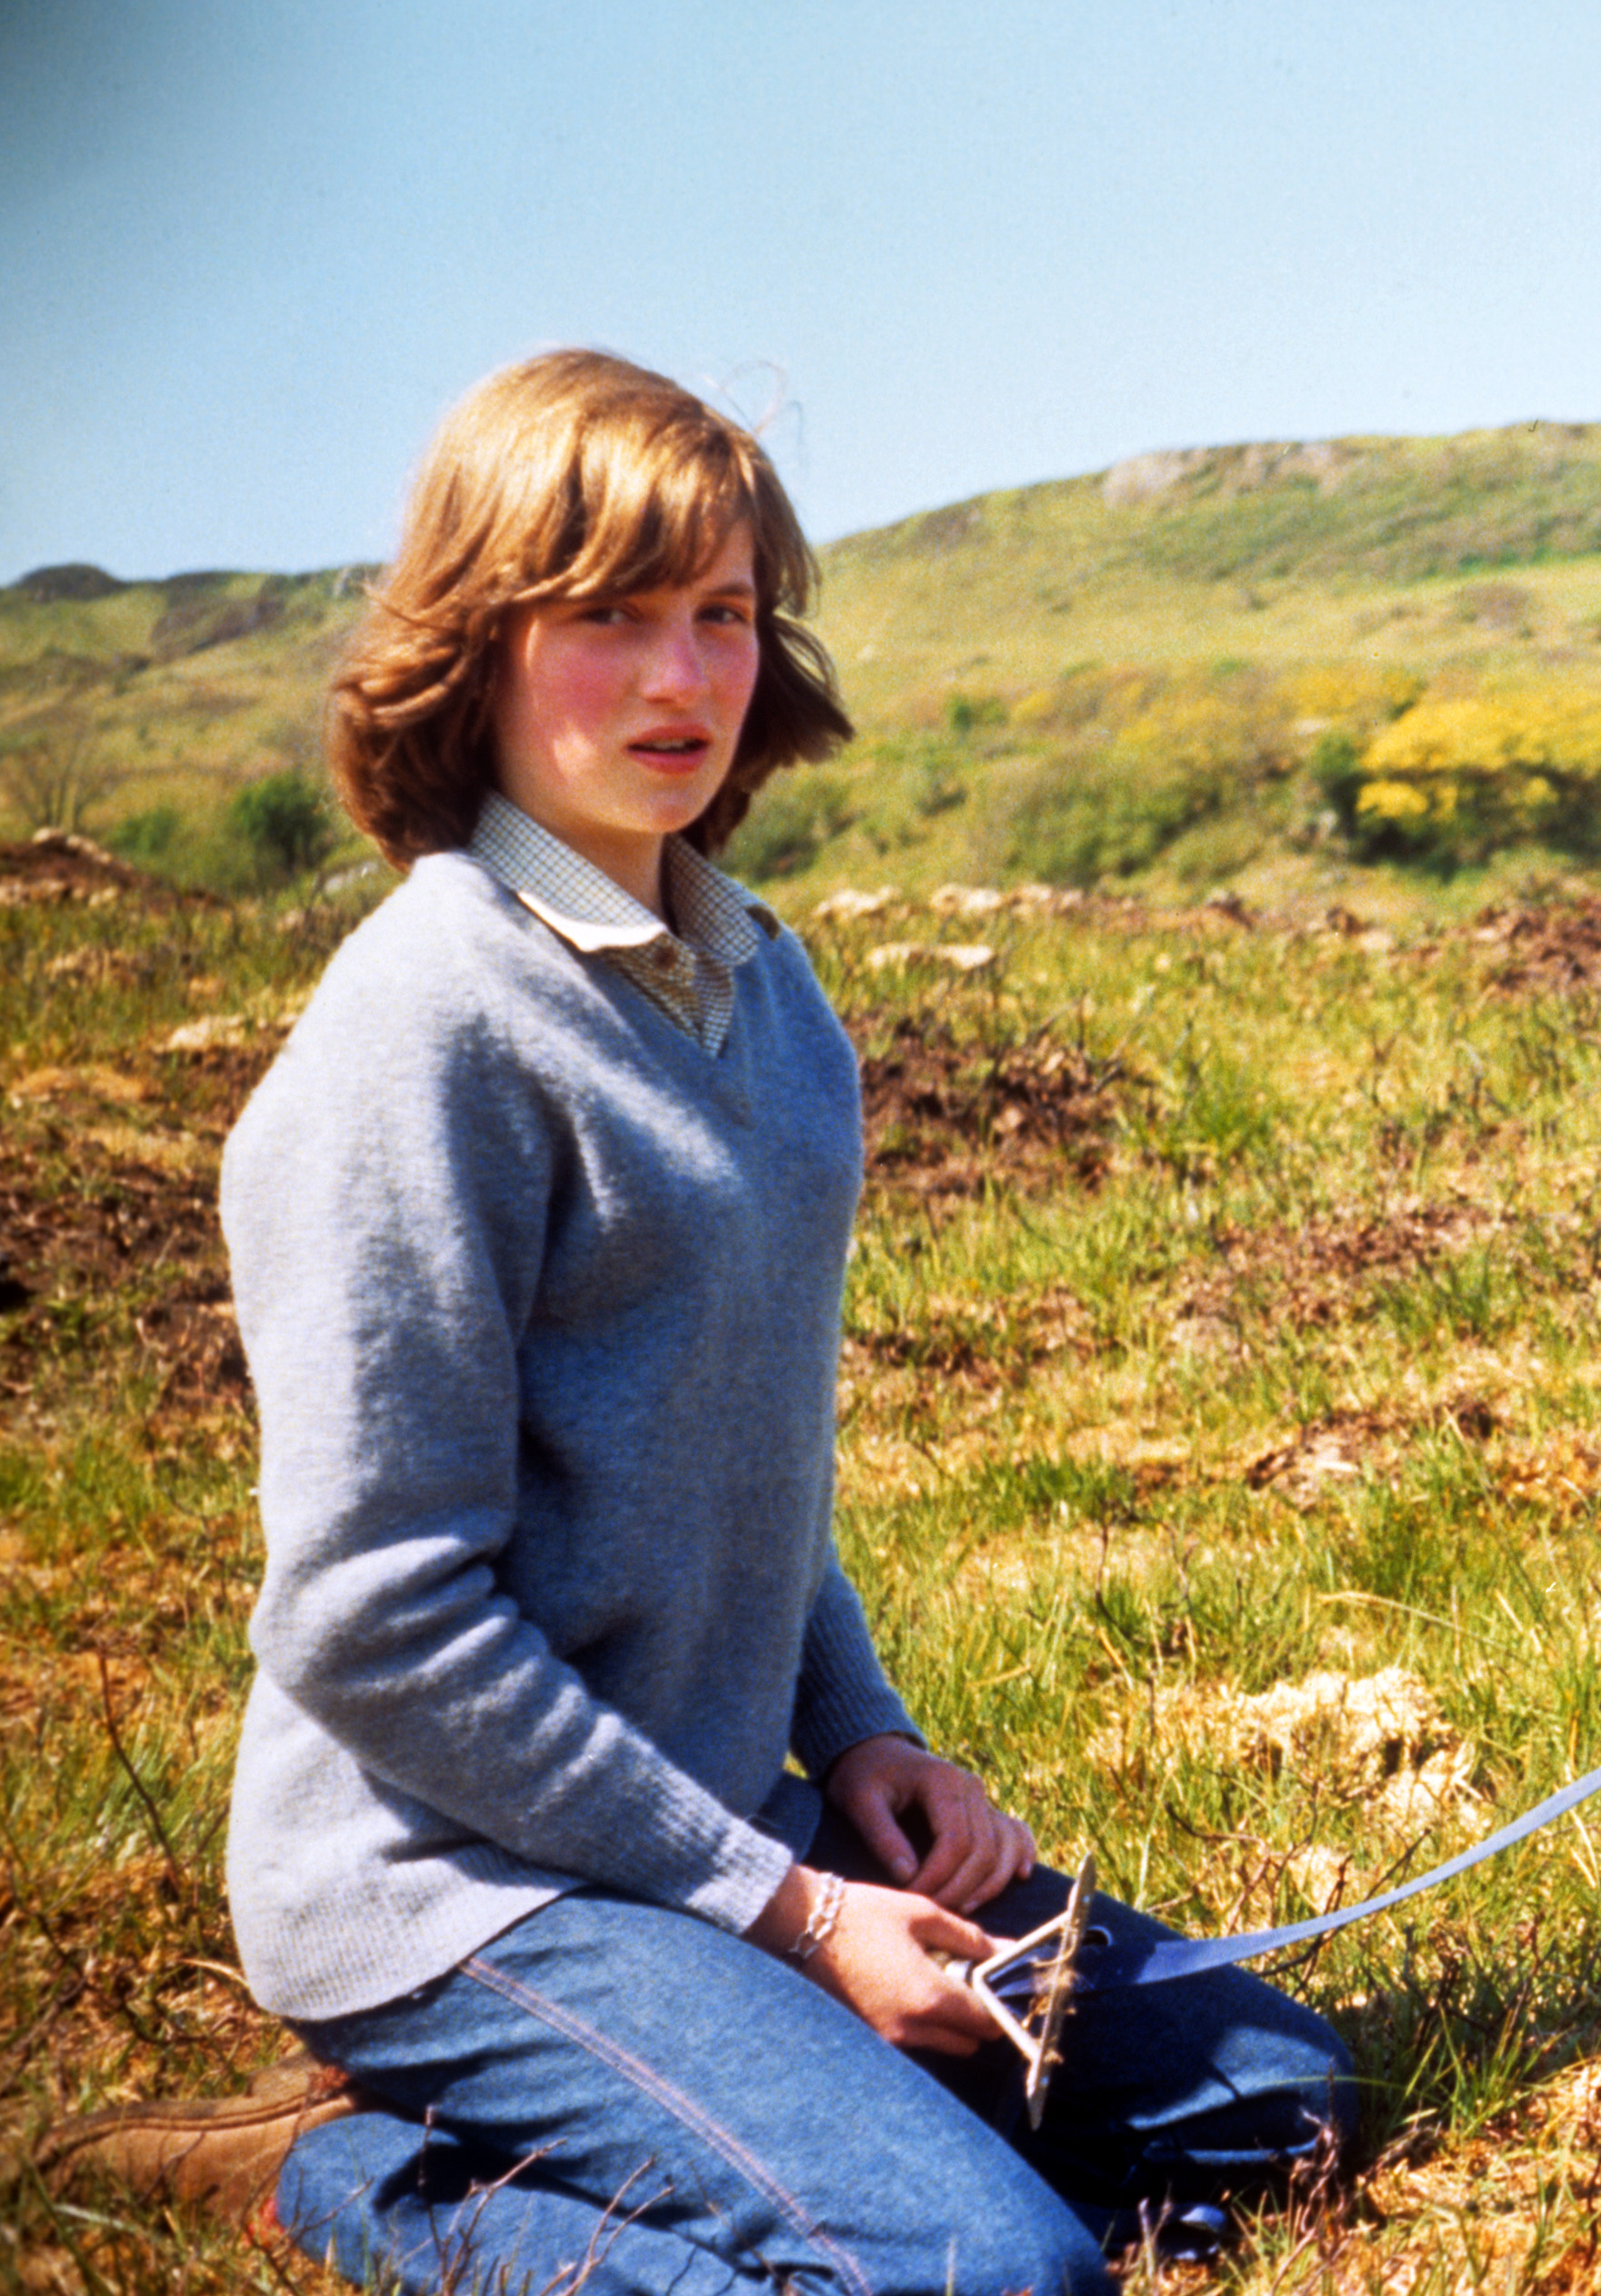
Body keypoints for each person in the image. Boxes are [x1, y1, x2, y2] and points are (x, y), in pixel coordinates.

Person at [42, 350, 1353, 2291]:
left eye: (722, 614)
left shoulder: (770, 998)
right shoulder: (420, 1035)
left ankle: (750, 2105)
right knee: (990, 2278)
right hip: (454, 1889)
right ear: (473, 648)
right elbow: (369, 1617)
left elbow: (729, 1447)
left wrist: (864, 1737)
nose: (681, 681)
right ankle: (338, 2177)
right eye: (608, 621)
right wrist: (795, 1917)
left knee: (1272, 2103)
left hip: (713, 1827)